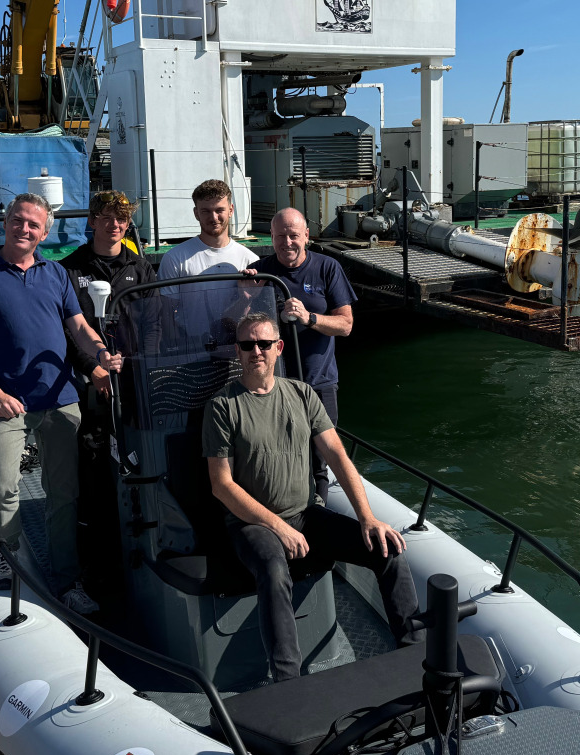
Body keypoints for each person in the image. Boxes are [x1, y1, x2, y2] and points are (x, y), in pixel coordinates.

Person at [203, 312, 419, 682]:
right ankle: (289, 682)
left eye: (264, 344)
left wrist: (367, 518)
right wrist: (277, 527)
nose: (256, 351)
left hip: (306, 515)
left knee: (388, 551)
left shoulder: (302, 395)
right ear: (237, 353)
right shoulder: (223, 406)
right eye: (247, 345)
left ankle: (416, 654)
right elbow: (221, 485)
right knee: (274, 568)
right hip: (251, 524)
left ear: (278, 348)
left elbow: (336, 455)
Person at [0, 192, 122, 613]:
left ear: (44, 232)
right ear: (5, 223)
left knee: (64, 494)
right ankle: (6, 557)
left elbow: (78, 327)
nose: (24, 229)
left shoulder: (56, 274)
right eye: (17, 221)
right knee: (3, 486)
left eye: (33, 225)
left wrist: (100, 354)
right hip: (6, 402)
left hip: (60, 399)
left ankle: (67, 581)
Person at [251, 207, 357, 501]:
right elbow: (235, 327)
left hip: (319, 382)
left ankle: (319, 510)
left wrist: (309, 317)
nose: (287, 243)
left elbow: (346, 325)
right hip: (274, 387)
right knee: (276, 455)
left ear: (307, 236)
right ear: (270, 237)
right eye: (280, 236)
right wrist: (245, 294)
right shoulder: (260, 271)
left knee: (320, 459)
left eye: (294, 236)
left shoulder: (327, 267)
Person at [63, 190, 155, 399]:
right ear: (92, 221)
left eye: (121, 219)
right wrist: (93, 368)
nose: (115, 225)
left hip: (133, 370)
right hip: (86, 375)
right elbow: (65, 329)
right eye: (106, 218)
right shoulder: (69, 269)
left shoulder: (141, 269)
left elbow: (154, 323)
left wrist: (141, 364)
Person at [158, 179, 258, 343]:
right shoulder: (175, 258)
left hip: (237, 349)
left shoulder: (250, 260)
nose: (214, 217)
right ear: (196, 213)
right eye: (206, 211)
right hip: (191, 349)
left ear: (231, 210)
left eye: (220, 210)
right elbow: (166, 315)